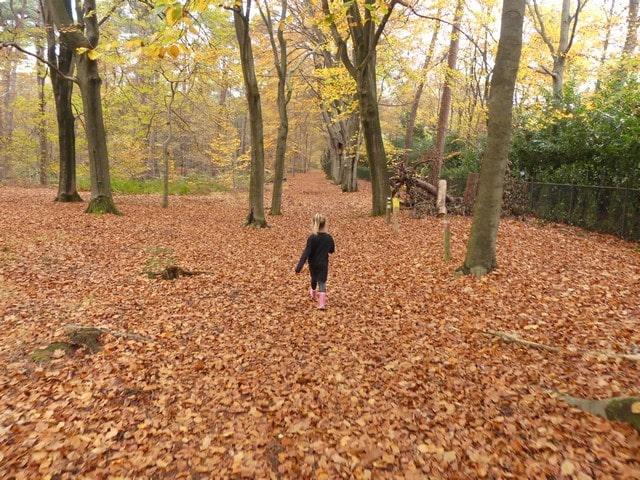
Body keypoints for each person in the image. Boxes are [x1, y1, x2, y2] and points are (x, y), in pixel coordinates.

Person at [295, 213, 335, 310]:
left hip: (313, 263)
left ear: (314, 224)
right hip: (323, 264)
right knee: (322, 282)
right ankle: (321, 304)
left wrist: (299, 267)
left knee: (314, 278)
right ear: (325, 224)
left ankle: (313, 292)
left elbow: (306, 252)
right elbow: (332, 250)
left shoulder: (312, 237)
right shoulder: (328, 238)